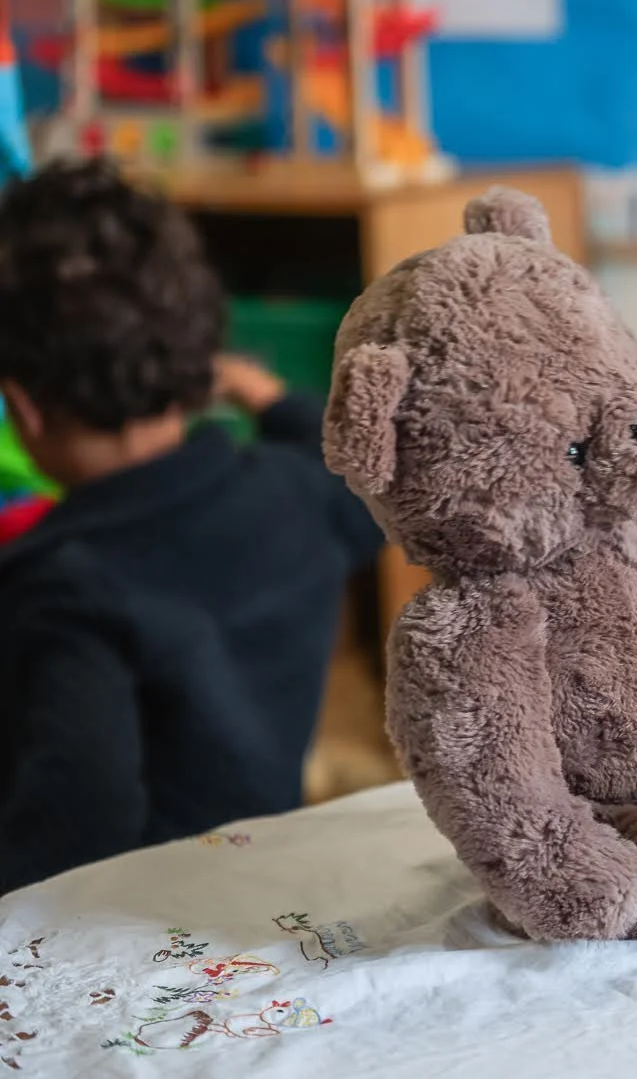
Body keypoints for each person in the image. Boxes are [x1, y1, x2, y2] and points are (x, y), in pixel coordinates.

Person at [0, 158, 385, 894]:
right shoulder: (293, 497)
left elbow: (75, 825)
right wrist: (259, 390)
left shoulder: (62, 586)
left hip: (122, 930)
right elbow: (355, 477)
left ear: (25, 409)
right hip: (245, 893)